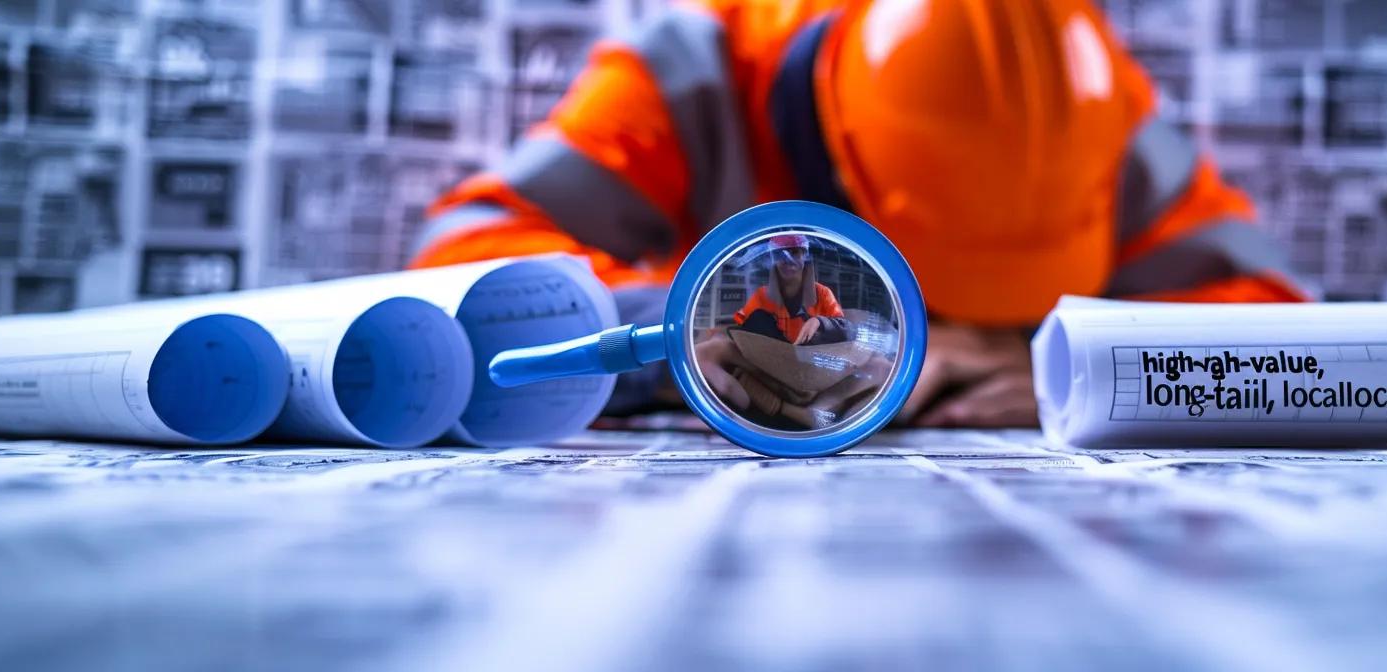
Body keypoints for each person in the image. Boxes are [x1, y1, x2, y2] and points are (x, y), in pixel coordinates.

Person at [407, 0, 1308, 427]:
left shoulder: (1099, 105)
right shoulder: (687, 71)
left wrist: (1057, 356)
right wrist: (710, 332)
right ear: (824, 153)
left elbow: (1279, 319)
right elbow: (459, 258)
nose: (946, 323)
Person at [731, 234, 849, 345]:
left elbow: (846, 329)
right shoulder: (762, 295)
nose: (788, 261)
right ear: (773, 259)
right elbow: (740, 328)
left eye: (795, 253)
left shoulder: (823, 293)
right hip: (772, 360)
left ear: (805, 256)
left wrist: (820, 322)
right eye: (780, 254)